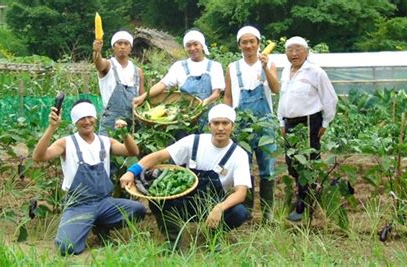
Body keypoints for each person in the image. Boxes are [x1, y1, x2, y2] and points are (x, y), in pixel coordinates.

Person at [120, 104, 251, 249]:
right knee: (158, 200)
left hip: (212, 204)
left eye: (225, 123)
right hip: (184, 202)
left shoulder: (238, 155)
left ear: (232, 126)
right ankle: (173, 240)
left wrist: (219, 208)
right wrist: (132, 171)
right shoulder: (194, 141)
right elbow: (159, 156)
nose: (220, 128)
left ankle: (212, 235)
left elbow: (241, 192)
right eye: (216, 123)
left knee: (239, 212)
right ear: (209, 125)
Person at [32, 99, 146, 255]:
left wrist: (124, 134)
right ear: (75, 122)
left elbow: (133, 152)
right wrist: (52, 128)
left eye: (89, 117)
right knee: (66, 248)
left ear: (95, 118)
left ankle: (99, 225)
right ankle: (86, 223)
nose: (87, 121)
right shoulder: (66, 143)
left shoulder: (105, 142)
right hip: (79, 205)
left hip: (104, 202)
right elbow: (38, 156)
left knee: (138, 210)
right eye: (81, 118)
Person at [277, 36, 338, 222]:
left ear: (307, 52)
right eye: (290, 50)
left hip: (309, 121)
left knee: (307, 162)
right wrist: (281, 121)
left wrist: (325, 123)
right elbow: (283, 97)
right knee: (292, 162)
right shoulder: (286, 71)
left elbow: (330, 99)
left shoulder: (316, 72)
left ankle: (304, 202)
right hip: (290, 123)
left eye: (298, 49)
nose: (294, 54)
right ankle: (308, 192)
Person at [224, 26, 280, 222]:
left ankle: (268, 213)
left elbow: (276, 89)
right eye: (244, 42)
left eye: (252, 41)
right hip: (242, 125)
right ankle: (245, 211)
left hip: (266, 124)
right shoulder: (232, 67)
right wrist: (227, 120)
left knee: (268, 169)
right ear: (239, 45)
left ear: (258, 43)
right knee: (243, 168)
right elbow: (228, 97)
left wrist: (265, 68)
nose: (248, 45)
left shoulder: (269, 63)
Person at [133, 29, 224, 130]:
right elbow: (162, 84)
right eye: (188, 45)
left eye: (195, 44)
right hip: (184, 118)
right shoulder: (179, 66)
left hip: (208, 118)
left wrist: (203, 103)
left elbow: (216, 94)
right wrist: (143, 97)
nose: (192, 48)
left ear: (202, 45)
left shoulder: (214, 66)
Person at [93, 30, 145, 136]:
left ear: (130, 48)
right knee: (106, 150)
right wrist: (96, 52)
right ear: (113, 47)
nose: (122, 47)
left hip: (131, 123)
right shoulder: (108, 65)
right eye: (119, 43)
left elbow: (141, 98)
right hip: (110, 122)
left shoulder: (138, 72)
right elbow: (98, 64)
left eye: (126, 44)